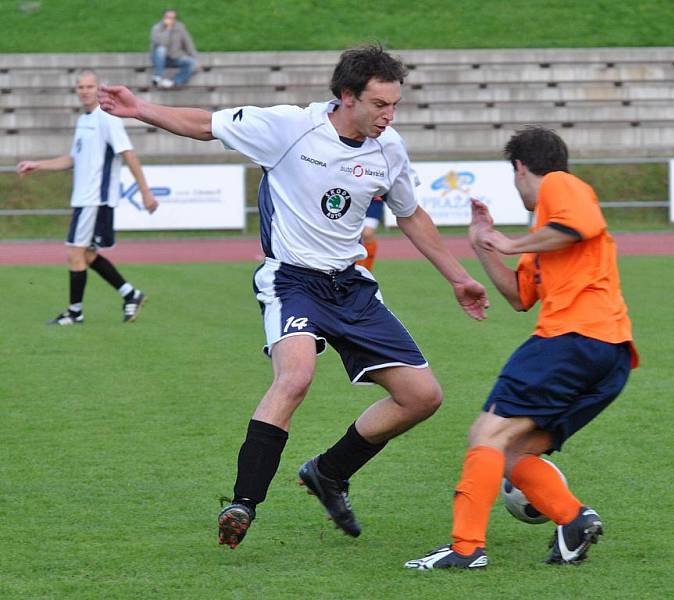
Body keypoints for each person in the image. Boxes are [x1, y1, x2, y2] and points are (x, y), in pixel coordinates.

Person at [97, 44, 489, 549]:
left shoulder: (389, 148)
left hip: (350, 285)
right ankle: (243, 503)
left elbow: (410, 214)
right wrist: (141, 109)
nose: (389, 116)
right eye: (379, 104)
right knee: (297, 376)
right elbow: (205, 124)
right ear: (347, 96)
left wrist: (459, 277)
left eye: (395, 105)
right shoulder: (289, 127)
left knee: (422, 397)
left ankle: (329, 472)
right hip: (292, 280)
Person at [404, 126, 638, 570]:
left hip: (572, 341)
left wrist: (511, 242)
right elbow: (518, 296)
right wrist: (483, 244)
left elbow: (578, 226)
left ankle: (467, 547)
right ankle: (573, 520)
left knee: (485, 435)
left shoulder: (560, 185)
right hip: (610, 358)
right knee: (512, 452)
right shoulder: (546, 236)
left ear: (520, 167)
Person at [16, 69, 158, 326]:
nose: (84, 91)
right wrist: (38, 164)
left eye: (89, 86)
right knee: (87, 255)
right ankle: (131, 295)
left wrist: (145, 192)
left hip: (95, 199)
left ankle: (75, 312)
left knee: (74, 252)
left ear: (99, 89)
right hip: (83, 199)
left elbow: (128, 153)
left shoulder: (108, 119)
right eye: (80, 87)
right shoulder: (84, 120)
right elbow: (73, 159)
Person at [150, 9, 198, 89]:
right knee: (161, 49)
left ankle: (173, 81)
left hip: (175, 57)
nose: (169, 19)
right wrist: (168, 29)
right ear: (163, 17)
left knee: (192, 63)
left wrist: (195, 58)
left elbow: (188, 43)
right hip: (159, 59)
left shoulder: (180, 28)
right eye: (167, 17)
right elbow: (161, 43)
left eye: (172, 18)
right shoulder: (157, 28)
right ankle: (158, 76)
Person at [356, 195, 384, 271]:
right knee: (355, 236)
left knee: (367, 234)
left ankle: (367, 271)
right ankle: (355, 269)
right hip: (354, 199)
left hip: (374, 200)